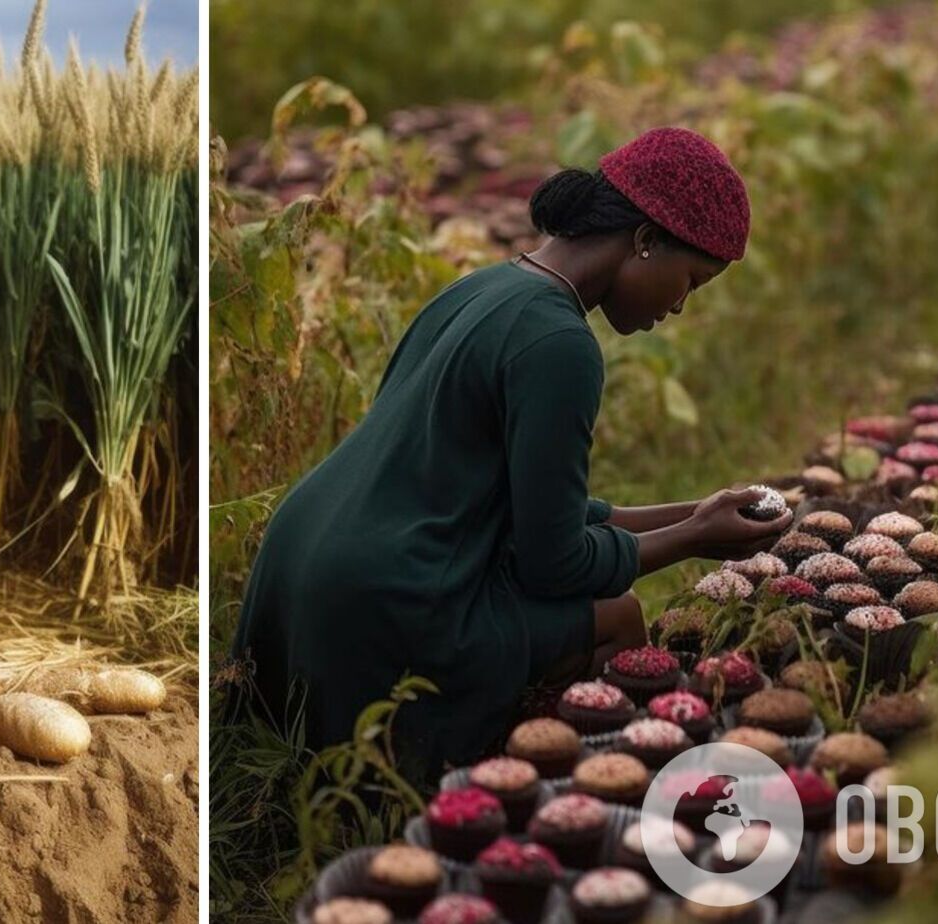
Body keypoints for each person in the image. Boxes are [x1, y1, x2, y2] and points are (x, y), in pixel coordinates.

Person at [230, 127, 790, 779]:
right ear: (645, 241)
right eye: (691, 280)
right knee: (617, 616)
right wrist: (693, 539)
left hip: (303, 570)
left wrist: (698, 511)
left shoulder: (486, 289)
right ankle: (597, 787)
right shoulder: (558, 343)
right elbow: (552, 563)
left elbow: (541, 512)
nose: (682, 306)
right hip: (382, 603)